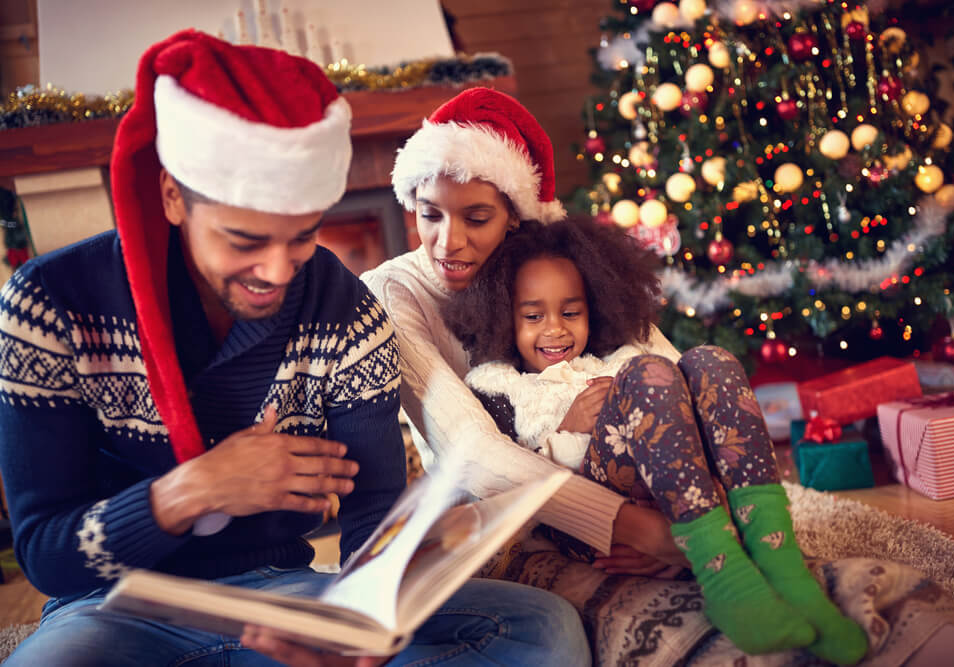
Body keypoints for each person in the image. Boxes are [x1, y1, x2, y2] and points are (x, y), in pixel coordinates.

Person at [0, 32, 590, 667]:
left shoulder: (347, 310)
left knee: (542, 630)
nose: (278, 271)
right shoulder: (49, 303)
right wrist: (193, 491)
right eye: (245, 239)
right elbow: (46, 555)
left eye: (302, 237)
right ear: (174, 196)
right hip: (112, 610)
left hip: (287, 596)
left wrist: (367, 625)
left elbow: (373, 522)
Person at [358, 85, 954, 666]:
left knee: (713, 396)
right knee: (662, 617)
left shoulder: (552, 259)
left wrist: (693, 505)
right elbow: (474, 454)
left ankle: (880, 617)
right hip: (521, 526)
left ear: (519, 215)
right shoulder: (394, 291)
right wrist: (630, 527)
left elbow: (661, 368)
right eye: (427, 213)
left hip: (645, 488)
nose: (447, 243)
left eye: (476, 218)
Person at [442, 216, 869, 661]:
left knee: (710, 361)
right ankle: (723, 577)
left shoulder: (615, 359)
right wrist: (566, 425)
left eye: (571, 312)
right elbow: (506, 484)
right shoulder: (499, 388)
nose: (555, 329)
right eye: (533, 316)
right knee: (649, 374)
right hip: (579, 520)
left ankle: (779, 560)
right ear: (503, 318)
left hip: (666, 500)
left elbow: (693, 429)